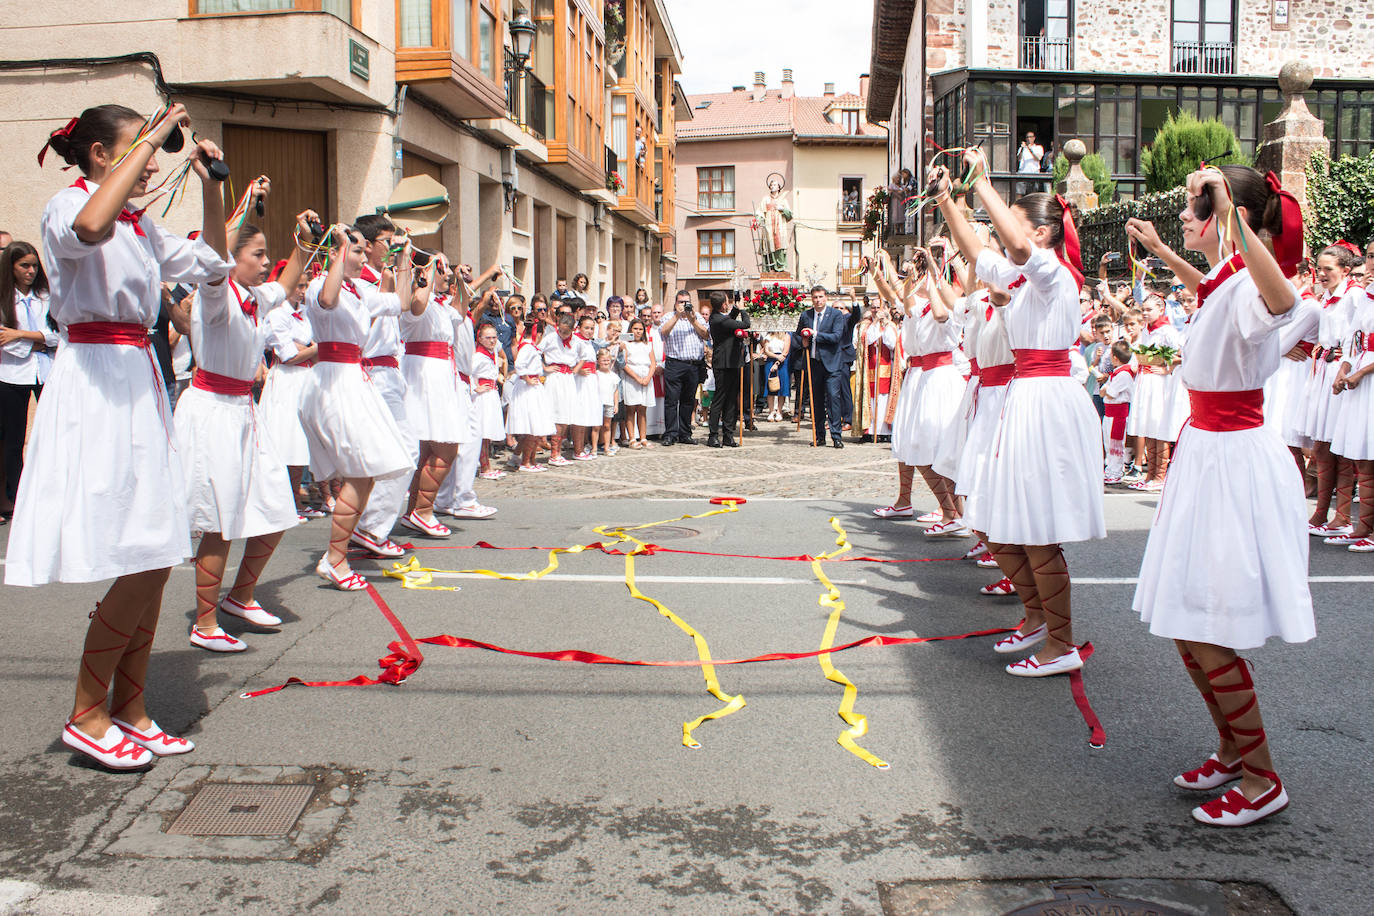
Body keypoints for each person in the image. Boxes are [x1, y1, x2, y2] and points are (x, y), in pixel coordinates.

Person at [14, 102, 235, 769]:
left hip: (139, 383)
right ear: (105, 155)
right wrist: (153, 136)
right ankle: (87, 711)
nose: (155, 158)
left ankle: (131, 708)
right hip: (96, 381)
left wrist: (210, 180)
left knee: (157, 550)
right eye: (141, 146)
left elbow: (215, 266)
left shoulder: (140, 225)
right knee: (138, 553)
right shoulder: (67, 205)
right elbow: (89, 225)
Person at [1130, 165, 1312, 827]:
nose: (1186, 213)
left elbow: (1285, 303)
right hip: (1207, 456)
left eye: (1195, 206)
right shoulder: (1224, 284)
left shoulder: (1249, 286)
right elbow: (1210, 285)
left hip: (1232, 465)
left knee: (1208, 629)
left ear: (1230, 214)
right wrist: (1161, 250)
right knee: (1187, 626)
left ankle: (1263, 779)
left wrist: (1233, 215)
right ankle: (1234, 751)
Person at [932, 150, 1106, 677]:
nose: (1006, 228)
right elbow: (978, 250)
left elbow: (1012, 244)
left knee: (1036, 530)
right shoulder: (1021, 280)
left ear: (1044, 234)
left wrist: (983, 183)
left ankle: (1061, 641)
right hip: (1021, 399)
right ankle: (1036, 620)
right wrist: (946, 200)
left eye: (1017, 217)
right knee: (1001, 525)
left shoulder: (1055, 275)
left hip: (1046, 399)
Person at [180, 200, 309, 653]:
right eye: (256, 253)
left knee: (275, 507)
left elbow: (287, 280)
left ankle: (242, 596)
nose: (262, 262)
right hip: (212, 409)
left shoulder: (255, 297)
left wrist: (306, 241)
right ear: (230, 257)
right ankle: (205, 620)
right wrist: (214, 193)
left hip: (243, 411)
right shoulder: (215, 295)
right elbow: (213, 255)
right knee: (219, 521)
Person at [300, 224, 415, 590]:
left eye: (364, 251)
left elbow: (400, 302)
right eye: (356, 250)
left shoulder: (360, 292)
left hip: (354, 379)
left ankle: (339, 554)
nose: (363, 256)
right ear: (336, 253)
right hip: (334, 382)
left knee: (369, 470)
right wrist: (337, 249)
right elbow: (328, 300)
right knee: (359, 472)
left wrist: (405, 257)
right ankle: (335, 558)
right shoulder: (322, 284)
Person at [395, 255, 465, 538]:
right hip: (424, 374)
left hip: (440, 374)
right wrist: (424, 272)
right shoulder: (416, 298)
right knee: (446, 447)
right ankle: (423, 511)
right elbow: (415, 306)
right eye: (442, 268)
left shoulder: (440, 304)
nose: (445, 273)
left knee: (429, 449)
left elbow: (461, 308)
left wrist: (458, 278)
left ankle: (416, 510)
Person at [1303, 245, 1361, 537]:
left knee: (1341, 448)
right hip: (1323, 372)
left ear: (1345, 270)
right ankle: (1320, 512)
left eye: (1329, 269)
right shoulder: (1325, 298)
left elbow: (1357, 337)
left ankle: (1343, 517)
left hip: (1342, 373)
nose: (1322, 274)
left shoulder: (1354, 297)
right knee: (1322, 446)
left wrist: (1345, 367)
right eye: (1320, 268)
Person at [0, 241, 57, 519]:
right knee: (13, 439)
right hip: (12, 374)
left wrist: (23, 335)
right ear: (11, 267)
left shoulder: (46, 297)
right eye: (24, 265)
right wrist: (40, 341)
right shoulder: (3, 299)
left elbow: (59, 335)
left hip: (47, 371)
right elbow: (3, 340)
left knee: (53, 432)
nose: (31, 271)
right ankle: (18, 494)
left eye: (34, 265)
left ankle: (51, 491)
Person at [259, 258, 319, 520]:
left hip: (304, 379)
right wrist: (317, 347)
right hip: (285, 381)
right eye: (298, 285)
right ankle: (283, 502)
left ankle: (296, 499)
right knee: (285, 441)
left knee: (300, 443)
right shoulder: (277, 312)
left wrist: (306, 349)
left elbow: (304, 349)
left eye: (305, 286)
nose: (303, 291)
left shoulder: (304, 313)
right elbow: (287, 354)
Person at [794, 286, 857, 448]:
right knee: (816, 401)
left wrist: (815, 335)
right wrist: (803, 341)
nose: (818, 300)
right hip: (813, 363)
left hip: (832, 364)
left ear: (826, 297)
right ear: (811, 299)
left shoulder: (835, 315)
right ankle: (819, 435)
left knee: (833, 399)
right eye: (815, 297)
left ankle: (836, 435)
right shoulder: (806, 315)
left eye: (821, 297)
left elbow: (836, 336)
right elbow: (797, 335)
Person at [659, 289, 709, 445]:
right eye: (681, 302)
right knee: (672, 401)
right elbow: (663, 333)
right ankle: (670, 434)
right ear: (675, 303)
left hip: (693, 364)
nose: (684, 305)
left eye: (687, 302)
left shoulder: (697, 317)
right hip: (675, 363)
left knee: (688, 401)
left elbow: (706, 334)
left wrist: (692, 319)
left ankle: (685, 433)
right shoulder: (668, 316)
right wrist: (677, 316)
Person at [506, 324, 555, 472]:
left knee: (535, 425)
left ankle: (530, 460)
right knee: (532, 426)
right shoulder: (527, 347)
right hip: (528, 388)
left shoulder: (531, 347)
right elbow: (519, 364)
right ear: (538, 333)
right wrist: (527, 378)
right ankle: (526, 462)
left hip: (534, 386)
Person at [707, 291, 750, 448]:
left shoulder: (719, 317)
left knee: (731, 399)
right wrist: (743, 310)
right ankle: (713, 435)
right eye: (727, 302)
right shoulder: (718, 319)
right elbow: (745, 324)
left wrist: (735, 310)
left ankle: (728, 434)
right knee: (720, 399)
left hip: (732, 363)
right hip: (723, 364)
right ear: (723, 304)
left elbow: (729, 320)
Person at [473, 321, 507, 478]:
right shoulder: (478, 356)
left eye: (494, 337)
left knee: (489, 431)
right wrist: (475, 387)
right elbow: (468, 372)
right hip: (483, 397)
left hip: (492, 393)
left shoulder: (492, 353)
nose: (492, 341)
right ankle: (484, 467)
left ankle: (485, 464)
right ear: (480, 339)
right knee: (483, 431)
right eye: (488, 338)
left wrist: (500, 377)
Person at [1100, 340, 1136, 484]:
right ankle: (1110, 468)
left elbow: (1110, 393)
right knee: (1109, 443)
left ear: (1115, 357)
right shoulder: (1116, 373)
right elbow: (1104, 392)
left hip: (1118, 414)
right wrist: (1105, 390)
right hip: (1109, 414)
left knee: (1116, 445)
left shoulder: (1123, 374)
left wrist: (1105, 389)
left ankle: (1116, 471)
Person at [621, 317, 655, 448]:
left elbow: (652, 363)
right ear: (630, 329)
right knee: (631, 408)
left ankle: (643, 437)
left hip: (646, 376)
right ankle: (632, 438)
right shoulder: (626, 344)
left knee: (642, 409)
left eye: (641, 329)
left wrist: (647, 378)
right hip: (632, 378)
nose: (638, 332)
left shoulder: (648, 345)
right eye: (635, 329)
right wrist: (637, 378)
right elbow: (623, 363)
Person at [594, 346, 621, 456]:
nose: (606, 362)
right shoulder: (595, 374)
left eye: (608, 360)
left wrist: (616, 405)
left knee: (607, 426)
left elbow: (615, 391)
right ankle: (594, 448)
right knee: (596, 427)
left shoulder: (614, 376)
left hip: (609, 403)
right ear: (598, 361)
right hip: (597, 403)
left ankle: (606, 447)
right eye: (603, 360)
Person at [762, 330, 791, 421]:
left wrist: (777, 362)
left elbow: (785, 351)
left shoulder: (786, 335)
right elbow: (766, 350)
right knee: (770, 386)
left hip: (782, 362)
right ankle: (771, 411)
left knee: (781, 386)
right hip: (771, 360)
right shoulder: (768, 336)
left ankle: (779, 411)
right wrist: (775, 357)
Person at [1016, 131, 1045, 197]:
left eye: (1030, 137)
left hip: (1033, 174)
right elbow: (1018, 159)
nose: (1029, 139)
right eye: (1027, 137)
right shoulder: (1021, 149)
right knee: (1019, 194)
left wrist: (1030, 149)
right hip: (1022, 173)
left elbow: (1038, 158)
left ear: (1034, 138)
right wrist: (1022, 148)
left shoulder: (1038, 147)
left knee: (1032, 195)